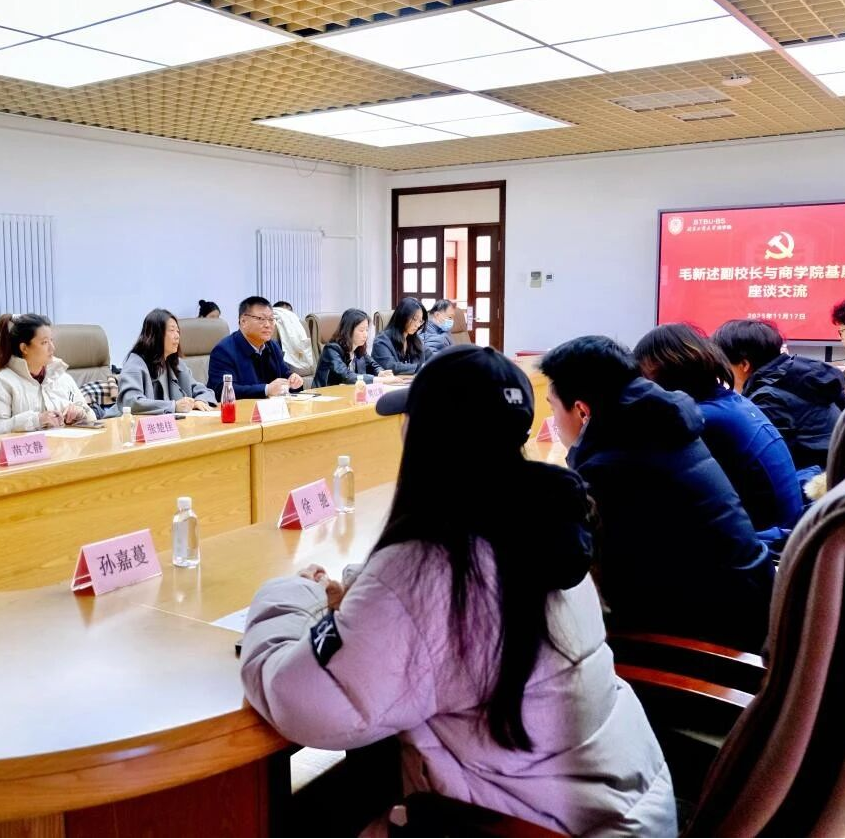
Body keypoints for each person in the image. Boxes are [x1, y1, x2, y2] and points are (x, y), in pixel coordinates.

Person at [241, 346, 676, 837]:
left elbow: (303, 701)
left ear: (426, 439)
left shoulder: (430, 568)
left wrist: (293, 596)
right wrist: (367, 594)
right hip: (625, 810)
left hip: (524, 825)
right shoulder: (547, 524)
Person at [540, 336, 773, 651]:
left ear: (582, 411)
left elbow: (580, 568)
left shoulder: (612, 466)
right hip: (745, 606)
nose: (553, 420)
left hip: (706, 640)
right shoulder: (659, 426)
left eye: (553, 407)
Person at [633, 323, 802, 531]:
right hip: (784, 530)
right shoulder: (732, 403)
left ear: (668, 373)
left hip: (766, 538)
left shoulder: (703, 420)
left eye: (646, 379)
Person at [712, 319, 845, 471]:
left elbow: (769, 459)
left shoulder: (769, 397)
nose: (721, 372)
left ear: (744, 365)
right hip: (834, 467)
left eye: (723, 365)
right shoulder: (793, 374)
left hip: (820, 477)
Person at [0, 313, 96, 434]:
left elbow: (92, 417)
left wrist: (81, 413)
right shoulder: (1, 384)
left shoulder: (63, 378)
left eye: (51, 340)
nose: (52, 348)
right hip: (29, 448)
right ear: (24, 348)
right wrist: (35, 421)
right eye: (44, 342)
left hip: (65, 446)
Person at [118, 309, 216, 414]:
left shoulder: (176, 363)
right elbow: (131, 403)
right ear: (155, 334)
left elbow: (205, 391)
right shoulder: (135, 364)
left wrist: (199, 400)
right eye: (172, 330)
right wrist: (173, 406)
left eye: (178, 331)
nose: (177, 336)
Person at [206, 296, 303, 399]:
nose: (268, 325)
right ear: (243, 321)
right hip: (242, 408)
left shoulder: (273, 346)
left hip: (272, 407)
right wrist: (266, 389)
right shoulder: (224, 351)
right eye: (261, 319)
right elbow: (222, 390)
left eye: (271, 319)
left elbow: (285, 374)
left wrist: (293, 380)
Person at [312, 308, 398, 387]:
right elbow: (346, 376)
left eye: (367, 330)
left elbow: (372, 365)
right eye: (361, 330)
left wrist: (380, 372)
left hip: (347, 393)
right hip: (325, 395)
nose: (365, 335)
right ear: (348, 330)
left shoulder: (358, 349)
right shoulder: (331, 350)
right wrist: (379, 380)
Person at [372, 297, 429, 375]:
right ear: (403, 317)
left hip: (413, 381)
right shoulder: (381, 341)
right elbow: (390, 367)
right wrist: (420, 367)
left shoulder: (415, 339)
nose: (417, 325)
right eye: (414, 319)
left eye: (420, 321)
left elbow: (431, 356)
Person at [272, 301, 317, 377]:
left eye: (289, 313)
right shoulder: (273, 338)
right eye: (283, 312)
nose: (286, 316)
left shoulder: (300, 328)